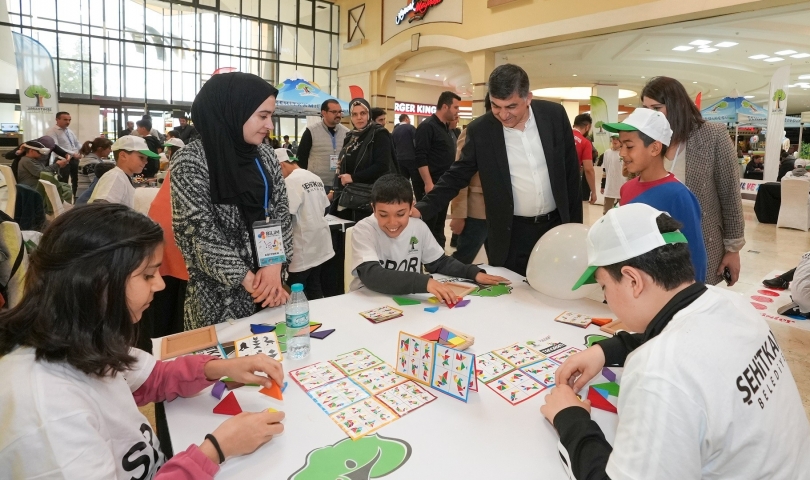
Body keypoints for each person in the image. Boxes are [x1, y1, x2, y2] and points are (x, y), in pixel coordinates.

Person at [0, 203, 287, 478]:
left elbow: (152, 378)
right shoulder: (46, 412)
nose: (160, 284)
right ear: (97, 282)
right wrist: (216, 450)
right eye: (148, 274)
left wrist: (220, 368)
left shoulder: (83, 336)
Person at [541, 203, 810, 479]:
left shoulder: (657, 371)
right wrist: (604, 350)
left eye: (604, 287)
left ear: (633, 280)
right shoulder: (731, 303)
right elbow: (684, 339)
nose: (607, 299)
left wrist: (570, 417)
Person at [412, 64, 581, 277]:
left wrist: (574, 227)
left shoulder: (553, 115)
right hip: (512, 234)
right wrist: (422, 207)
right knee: (514, 297)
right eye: (495, 106)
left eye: (511, 106)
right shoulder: (481, 130)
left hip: (555, 227)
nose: (503, 115)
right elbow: (457, 175)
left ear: (528, 97)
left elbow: (571, 174)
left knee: (556, 285)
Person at [171, 72, 292, 330]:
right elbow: (197, 233)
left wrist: (274, 265)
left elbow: (279, 212)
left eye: (271, 116)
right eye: (263, 116)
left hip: (270, 291)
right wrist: (250, 281)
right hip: (218, 303)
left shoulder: (265, 156)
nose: (270, 125)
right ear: (233, 111)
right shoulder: (192, 161)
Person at [641, 76, 744, 286]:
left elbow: (730, 195)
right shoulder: (647, 139)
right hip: (653, 247)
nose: (650, 115)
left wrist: (733, 250)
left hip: (700, 244)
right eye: (646, 108)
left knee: (696, 306)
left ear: (675, 105)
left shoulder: (713, 135)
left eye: (656, 108)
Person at [349, 174, 509, 301]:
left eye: (400, 214)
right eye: (383, 215)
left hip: (407, 301)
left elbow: (439, 262)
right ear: (373, 208)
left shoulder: (418, 226)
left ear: (412, 207)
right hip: (369, 300)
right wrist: (424, 282)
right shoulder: (364, 229)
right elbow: (372, 275)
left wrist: (472, 272)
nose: (392, 222)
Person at [603, 108, 707, 282]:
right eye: (621, 145)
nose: (622, 153)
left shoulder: (678, 195)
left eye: (629, 146)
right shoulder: (627, 188)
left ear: (655, 148)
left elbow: (694, 254)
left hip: (663, 290)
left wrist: (691, 298)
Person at [277, 148, 334, 299]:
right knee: (315, 286)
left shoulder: (290, 182)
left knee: (293, 291)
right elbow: (325, 207)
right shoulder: (313, 176)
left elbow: (286, 216)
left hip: (302, 247)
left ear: (281, 165)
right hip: (320, 244)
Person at [330, 98, 397, 222]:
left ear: (368, 115)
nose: (359, 117)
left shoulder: (379, 134)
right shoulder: (350, 137)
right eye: (355, 114)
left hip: (370, 197)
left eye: (363, 113)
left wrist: (354, 177)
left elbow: (382, 166)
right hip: (350, 195)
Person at [414, 91, 461, 248]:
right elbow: (421, 157)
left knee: (439, 225)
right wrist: (428, 183)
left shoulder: (446, 128)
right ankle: (426, 259)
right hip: (432, 185)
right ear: (445, 106)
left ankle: (438, 258)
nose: (457, 111)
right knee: (429, 225)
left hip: (443, 185)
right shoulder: (427, 127)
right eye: (455, 107)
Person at [449, 95, 491, 264]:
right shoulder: (474, 131)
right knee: (463, 258)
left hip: (502, 211)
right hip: (476, 211)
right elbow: (460, 175)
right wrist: (458, 215)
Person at [296, 99, 350, 193]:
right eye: (334, 112)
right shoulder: (311, 131)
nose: (338, 115)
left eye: (339, 112)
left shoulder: (347, 133)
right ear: (323, 113)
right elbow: (301, 158)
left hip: (339, 184)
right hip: (316, 185)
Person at [89, 136, 159, 207]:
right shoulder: (115, 176)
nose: (146, 162)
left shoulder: (122, 176)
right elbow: (101, 208)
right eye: (141, 157)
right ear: (123, 156)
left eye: (146, 158)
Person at [44, 111, 82, 196]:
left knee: (77, 180)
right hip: (62, 160)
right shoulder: (52, 131)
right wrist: (73, 153)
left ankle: (76, 199)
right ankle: (63, 202)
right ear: (57, 119)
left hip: (74, 160)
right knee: (63, 182)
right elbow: (56, 147)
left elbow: (76, 143)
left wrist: (82, 151)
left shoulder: (69, 131)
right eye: (65, 119)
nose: (68, 122)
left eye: (69, 120)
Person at [573, 114, 597, 204]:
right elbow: (588, 169)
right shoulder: (585, 142)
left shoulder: (561, 136)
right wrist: (593, 192)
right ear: (587, 127)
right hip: (572, 182)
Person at [601, 134, 625, 214]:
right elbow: (604, 170)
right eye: (613, 139)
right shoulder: (607, 153)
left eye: (617, 139)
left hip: (622, 187)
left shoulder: (624, 153)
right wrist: (602, 185)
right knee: (606, 212)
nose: (615, 141)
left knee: (621, 211)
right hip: (609, 187)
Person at [392, 114, 417, 180]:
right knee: (415, 181)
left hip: (399, 159)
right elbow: (416, 142)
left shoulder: (395, 130)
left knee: (403, 180)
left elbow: (393, 145)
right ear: (406, 119)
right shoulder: (411, 128)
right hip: (412, 158)